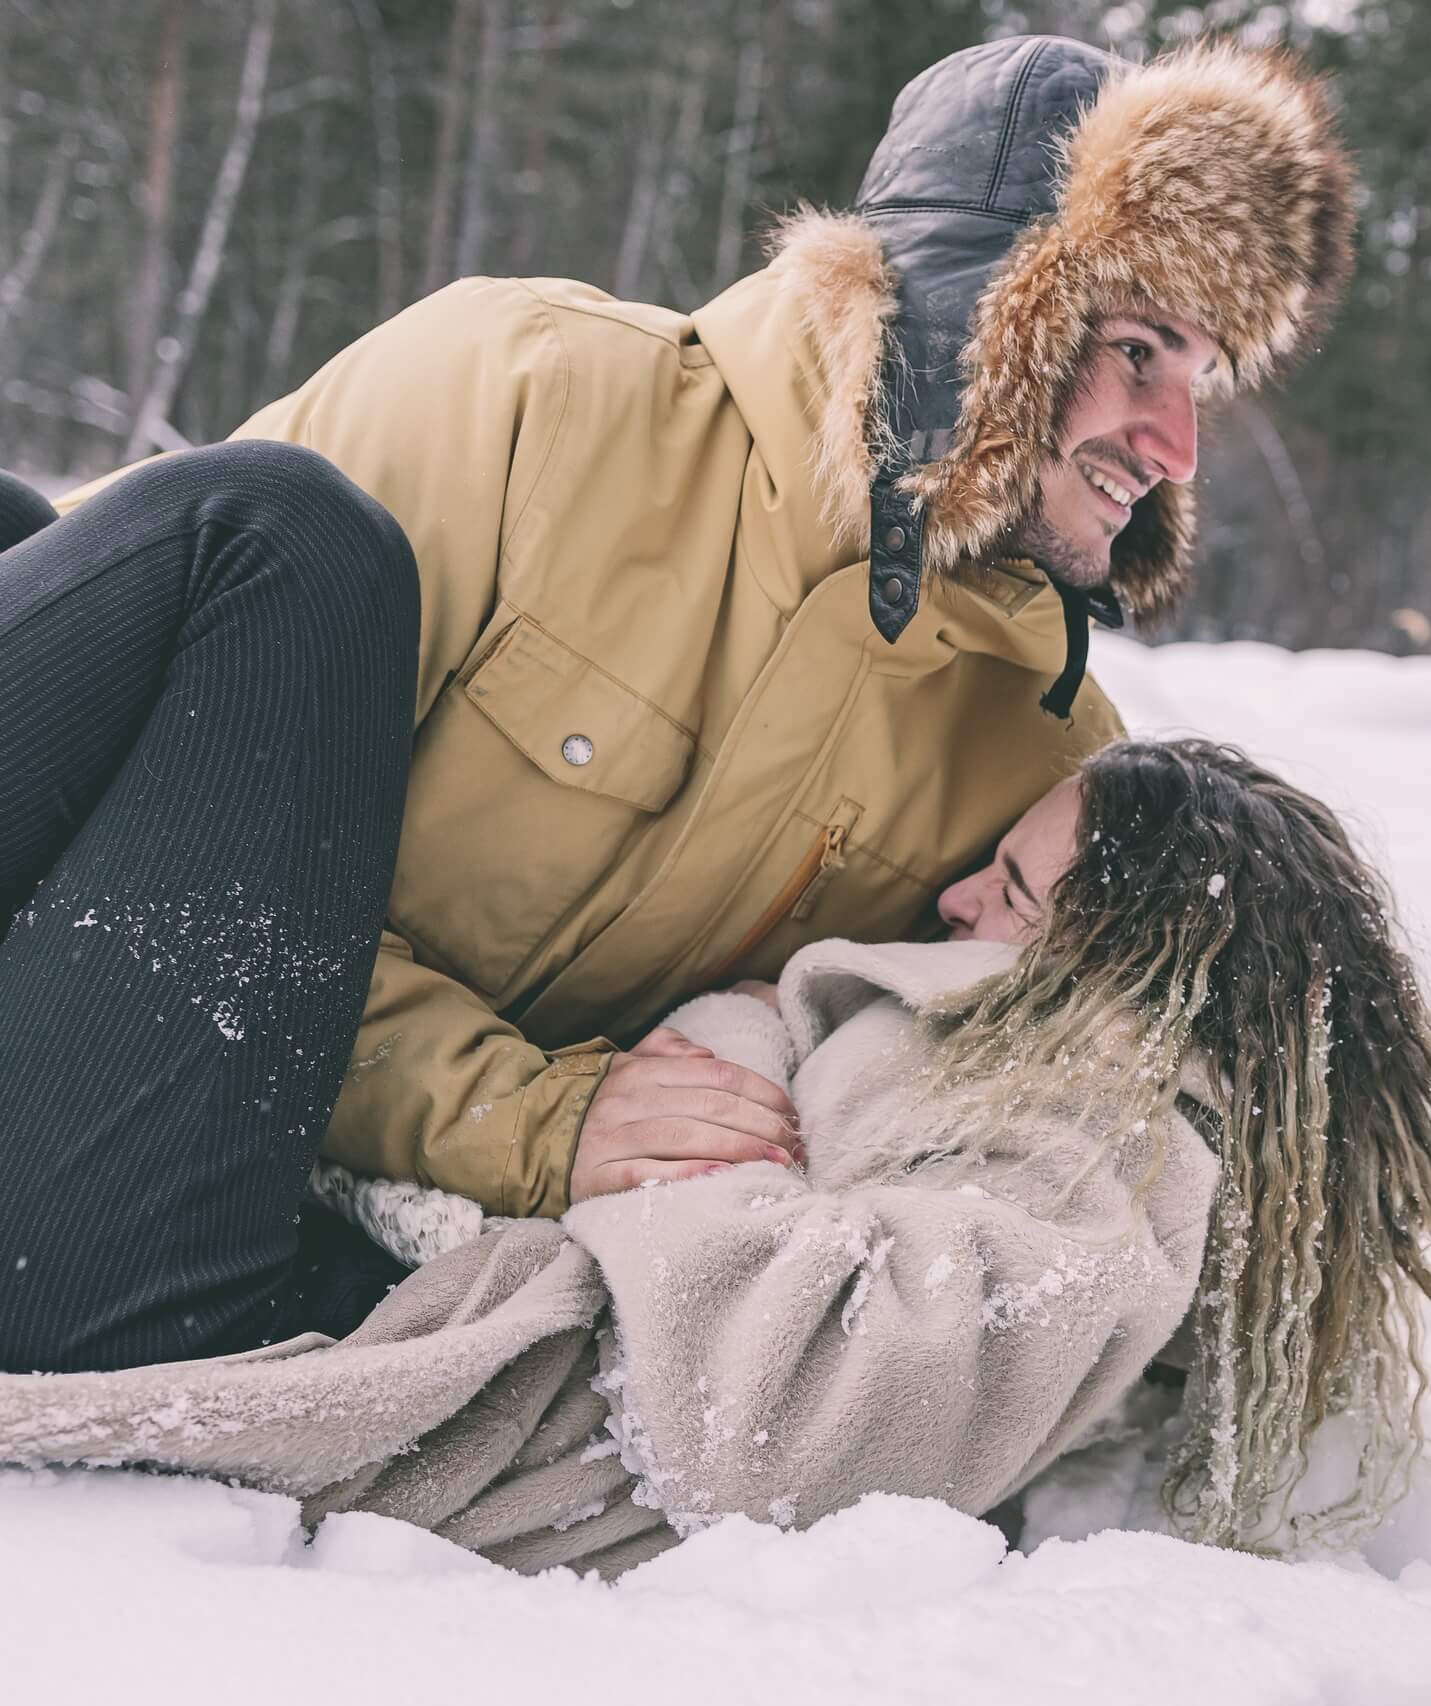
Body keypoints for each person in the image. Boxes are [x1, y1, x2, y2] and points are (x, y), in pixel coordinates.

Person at [0, 37, 1356, 1372]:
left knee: (255, 530)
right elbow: (107, 672)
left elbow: (1088, 1116)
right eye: (1138, 355)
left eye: (1203, 379)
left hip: (169, 1232)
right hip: (85, 1045)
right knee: (192, 533)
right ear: (985, 314)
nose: (1179, 445)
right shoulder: (530, 391)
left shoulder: (1035, 759)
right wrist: (524, 1113)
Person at [0, 740, 1431, 1578]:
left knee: (248, 563)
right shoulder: (1053, 1064)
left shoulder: (1109, 1134)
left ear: (1138, 968)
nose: (953, 906)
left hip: (325, 1319)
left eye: (1009, 893)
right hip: (352, 1254)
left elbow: (812, 1395)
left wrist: (722, 1066)